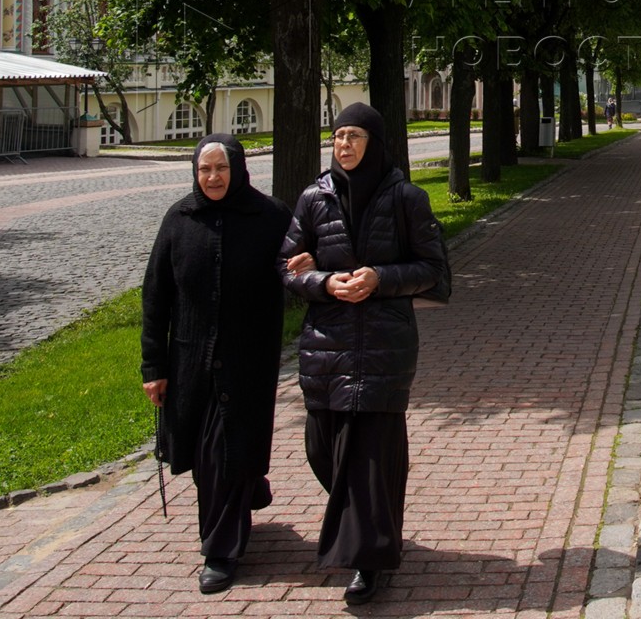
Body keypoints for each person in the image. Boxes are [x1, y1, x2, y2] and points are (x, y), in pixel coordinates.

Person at [282, 103, 450, 605]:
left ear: (373, 142)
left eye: (354, 136)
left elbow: (435, 271)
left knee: (373, 456)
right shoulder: (314, 198)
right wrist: (320, 280)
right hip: (325, 346)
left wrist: (380, 279)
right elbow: (286, 266)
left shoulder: (407, 199)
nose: (344, 145)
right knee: (321, 448)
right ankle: (374, 529)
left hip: (383, 346)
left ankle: (368, 560)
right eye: (337, 137)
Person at [141, 135, 292, 595]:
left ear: (239, 168)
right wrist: (153, 367)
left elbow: (298, 269)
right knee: (209, 457)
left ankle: (220, 552)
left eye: (220, 168)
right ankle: (247, 490)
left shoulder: (270, 217)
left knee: (221, 453)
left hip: (249, 361)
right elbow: (156, 296)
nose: (212, 177)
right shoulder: (179, 219)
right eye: (204, 169)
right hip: (191, 362)